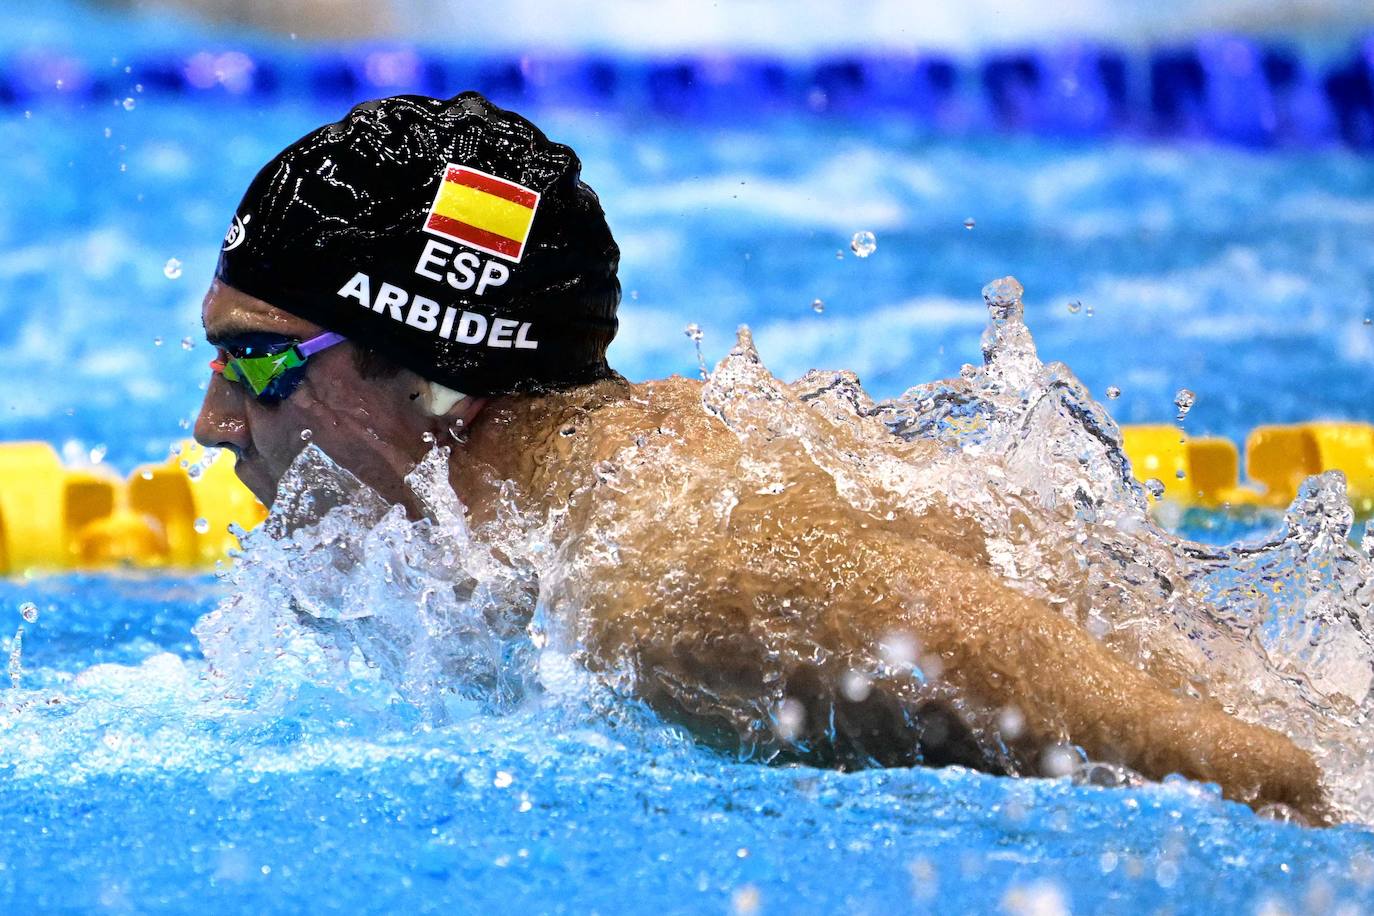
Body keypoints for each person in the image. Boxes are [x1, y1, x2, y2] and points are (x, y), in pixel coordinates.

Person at [194, 91, 1329, 822]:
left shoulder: (663, 589)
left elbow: (1259, 774)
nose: (214, 422)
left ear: (431, 373)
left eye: (255, 364)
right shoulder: (610, 491)